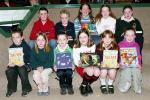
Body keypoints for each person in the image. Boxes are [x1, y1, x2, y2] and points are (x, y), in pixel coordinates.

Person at [73, 29, 100, 96]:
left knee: (97, 72)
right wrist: (78, 63)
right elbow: (75, 59)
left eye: (84, 37)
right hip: (80, 66)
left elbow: (93, 58)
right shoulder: (76, 47)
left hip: (90, 65)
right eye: (80, 37)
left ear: (88, 37)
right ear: (78, 38)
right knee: (90, 71)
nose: (82, 39)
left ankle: (85, 84)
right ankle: (85, 86)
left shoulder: (92, 45)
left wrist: (95, 63)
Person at [5, 28, 32, 97]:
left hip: (25, 65)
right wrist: (10, 64)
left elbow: (31, 58)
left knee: (21, 69)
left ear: (22, 38)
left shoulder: (26, 46)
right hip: (15, 65)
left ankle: (27, 88)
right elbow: (12, 59)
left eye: (17, 37)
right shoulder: (11, 47)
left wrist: (24, 63)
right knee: (9, 71)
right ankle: (11, 89)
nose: (15, 39)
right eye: (13, 38)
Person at [118, 28, 142, 94]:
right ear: (124, 36)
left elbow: (139, 56)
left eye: (132, 35)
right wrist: (120, 63)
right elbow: (118, 56)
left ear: (135, 36)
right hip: (124, 64)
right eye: (127, 35)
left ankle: (137, 86)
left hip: (134, 63)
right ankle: (124, 85)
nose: (130, 37)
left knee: (137, 71)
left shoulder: (136, 45)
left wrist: (139, 64)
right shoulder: (120, 44)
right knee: (127, 70)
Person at [96, 30, 119, 94]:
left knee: (112, 72)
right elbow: (96, 58)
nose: (107, 39)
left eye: (109, 37)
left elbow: (118, 57)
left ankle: (110, 84)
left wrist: (117, 63)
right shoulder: (98, 47)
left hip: (112, 65)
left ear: (112, 39)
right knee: (103, 71)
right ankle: (103, 84)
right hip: (103, 66)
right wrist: (100, 62)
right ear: (102, 38)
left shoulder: (116, 46)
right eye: (105, 37)